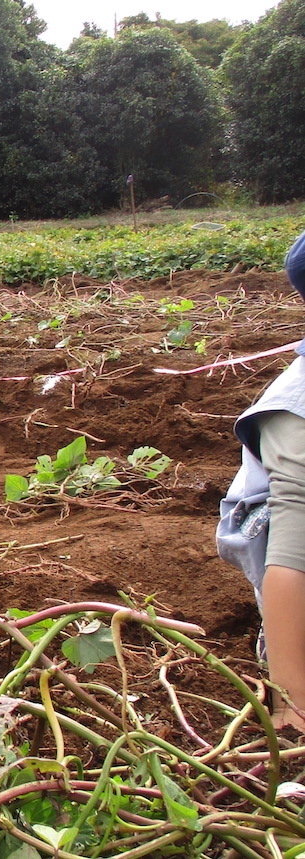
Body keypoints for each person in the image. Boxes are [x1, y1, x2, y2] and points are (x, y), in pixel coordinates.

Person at [218, 229, 305, 733]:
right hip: (288, 553)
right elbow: (294, 558)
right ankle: (288, 657)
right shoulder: (296, 412)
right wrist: (294, 703)